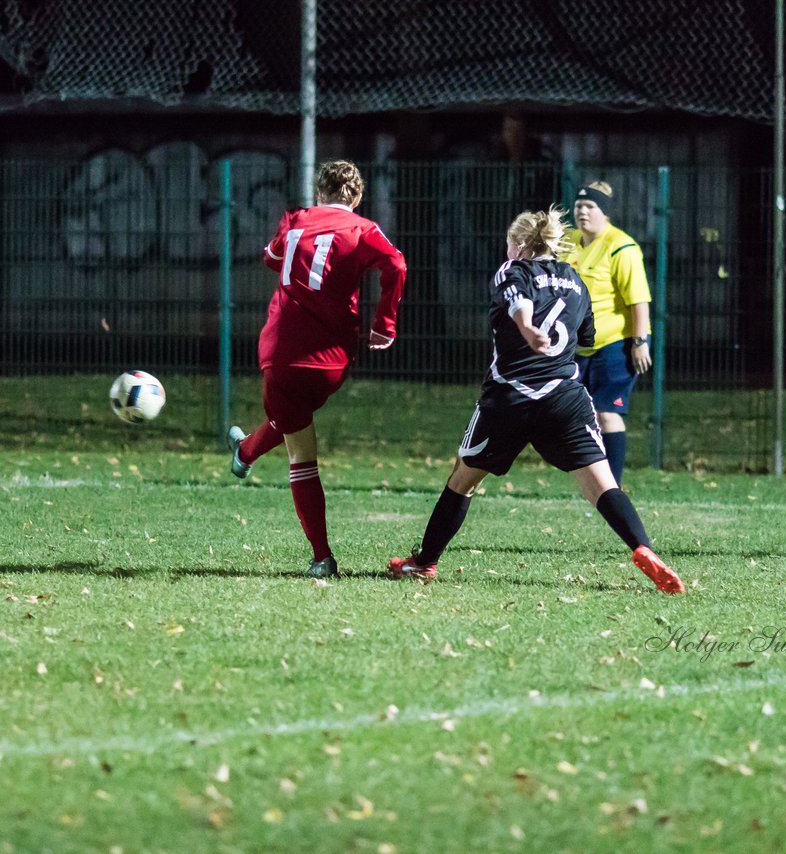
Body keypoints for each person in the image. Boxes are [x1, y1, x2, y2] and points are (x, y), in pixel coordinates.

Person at [386, 206, 683, 595]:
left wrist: (527, 327)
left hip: (510, 396)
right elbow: (588, 338)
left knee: (463, 480)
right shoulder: (576, 280)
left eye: (510, 243)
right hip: (564, 397)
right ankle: (643, 547)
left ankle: (423, 563)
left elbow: (517, 300)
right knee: (602, 486)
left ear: (521, 244)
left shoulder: (512, 270)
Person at [227, 160, 407, 579]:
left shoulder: (295, 221)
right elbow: (396, 264)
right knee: (294, 419)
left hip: (283, 350)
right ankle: (244, 451)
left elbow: (271, 258)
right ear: (357, 197)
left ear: (319, 193)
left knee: (300, 452)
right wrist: (385, 324)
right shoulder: (362, 229)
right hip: (334, 359)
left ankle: (322, 557)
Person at [564, 181, 653, 485]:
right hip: (578, 345)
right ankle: (593, 478)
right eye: (579, 207)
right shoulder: (569, 241)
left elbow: (638, 299)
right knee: (578, 416)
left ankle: (611, 484)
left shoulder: (622, 247)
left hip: (615, 343)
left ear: (606, 213)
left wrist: (640, 343)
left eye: (590, 207)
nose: (583, 212)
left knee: (606, 414)